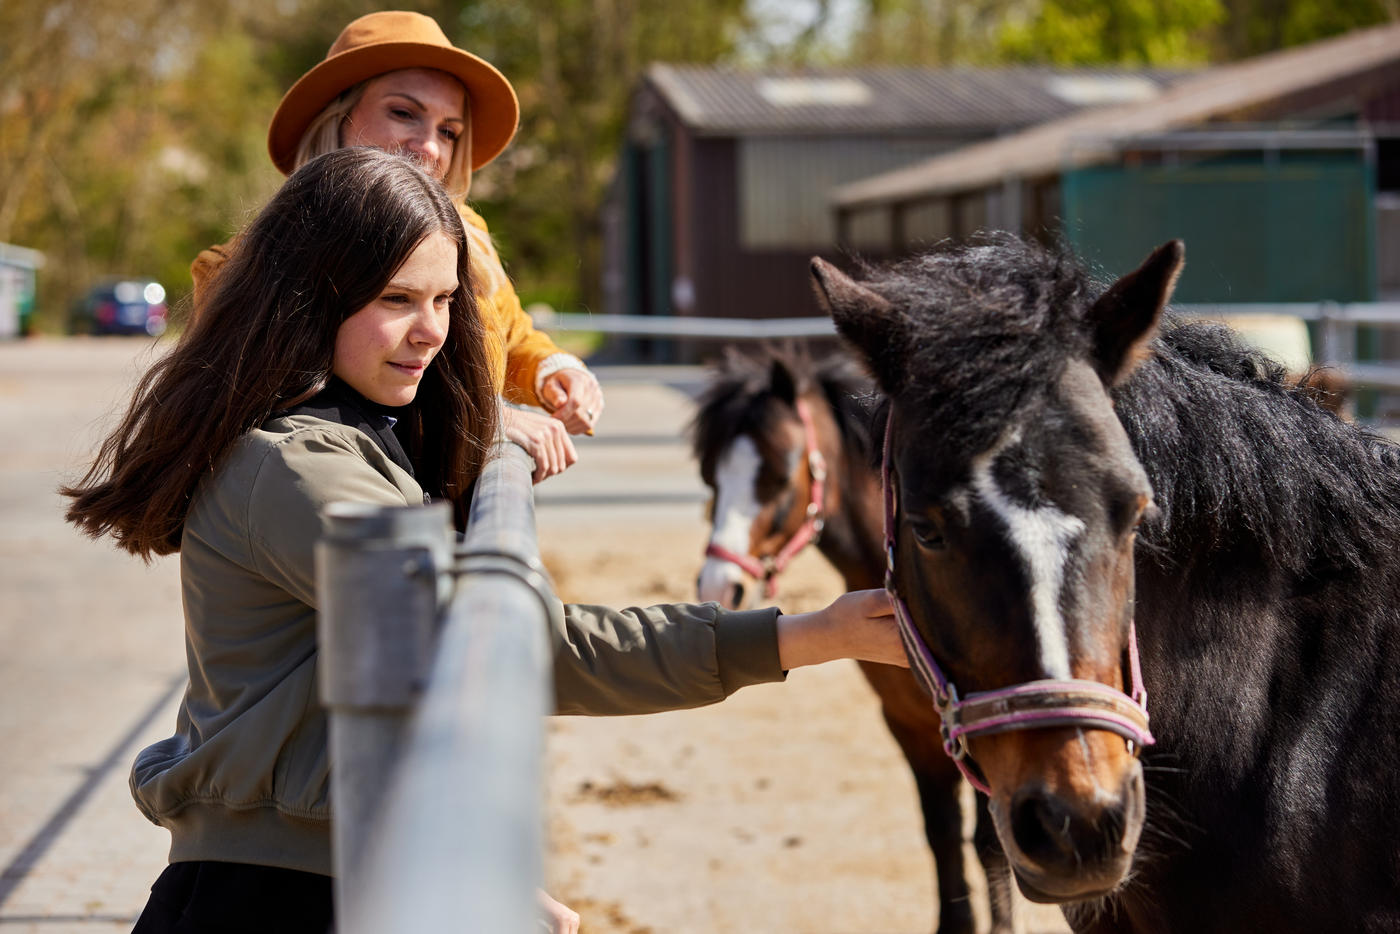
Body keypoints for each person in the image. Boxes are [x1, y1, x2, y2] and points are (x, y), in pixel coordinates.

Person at [62, 149, 904, 933]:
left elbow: (389, 692)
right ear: (310, 295)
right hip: (267, 899)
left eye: (443, 300)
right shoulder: (296, 471)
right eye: (397, 299)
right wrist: (809, 635)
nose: (431, 331)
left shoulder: (362, 440)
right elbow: (513, 649)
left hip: (327, 875)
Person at [191, 10, 597, 483]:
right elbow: (270, 409)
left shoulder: (470, 240)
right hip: (335, 529)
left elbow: (510, 332)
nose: (430, 147)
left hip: (456, 535)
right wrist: (487, 423)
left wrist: (552, 370)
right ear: (336, 119)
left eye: (449, 130)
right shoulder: (241, 266)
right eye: (404, 113)